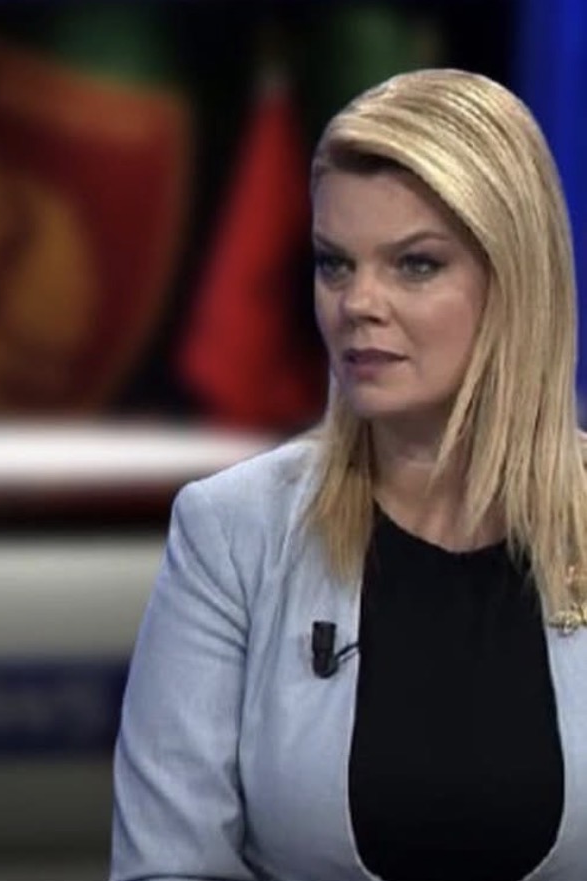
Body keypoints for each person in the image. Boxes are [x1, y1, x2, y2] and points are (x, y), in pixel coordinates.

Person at [112, 68, 587, 880]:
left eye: (415, 265)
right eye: (335, 264)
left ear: (516, 279)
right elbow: (168, 863)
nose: (357, 302)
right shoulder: (234, 533)